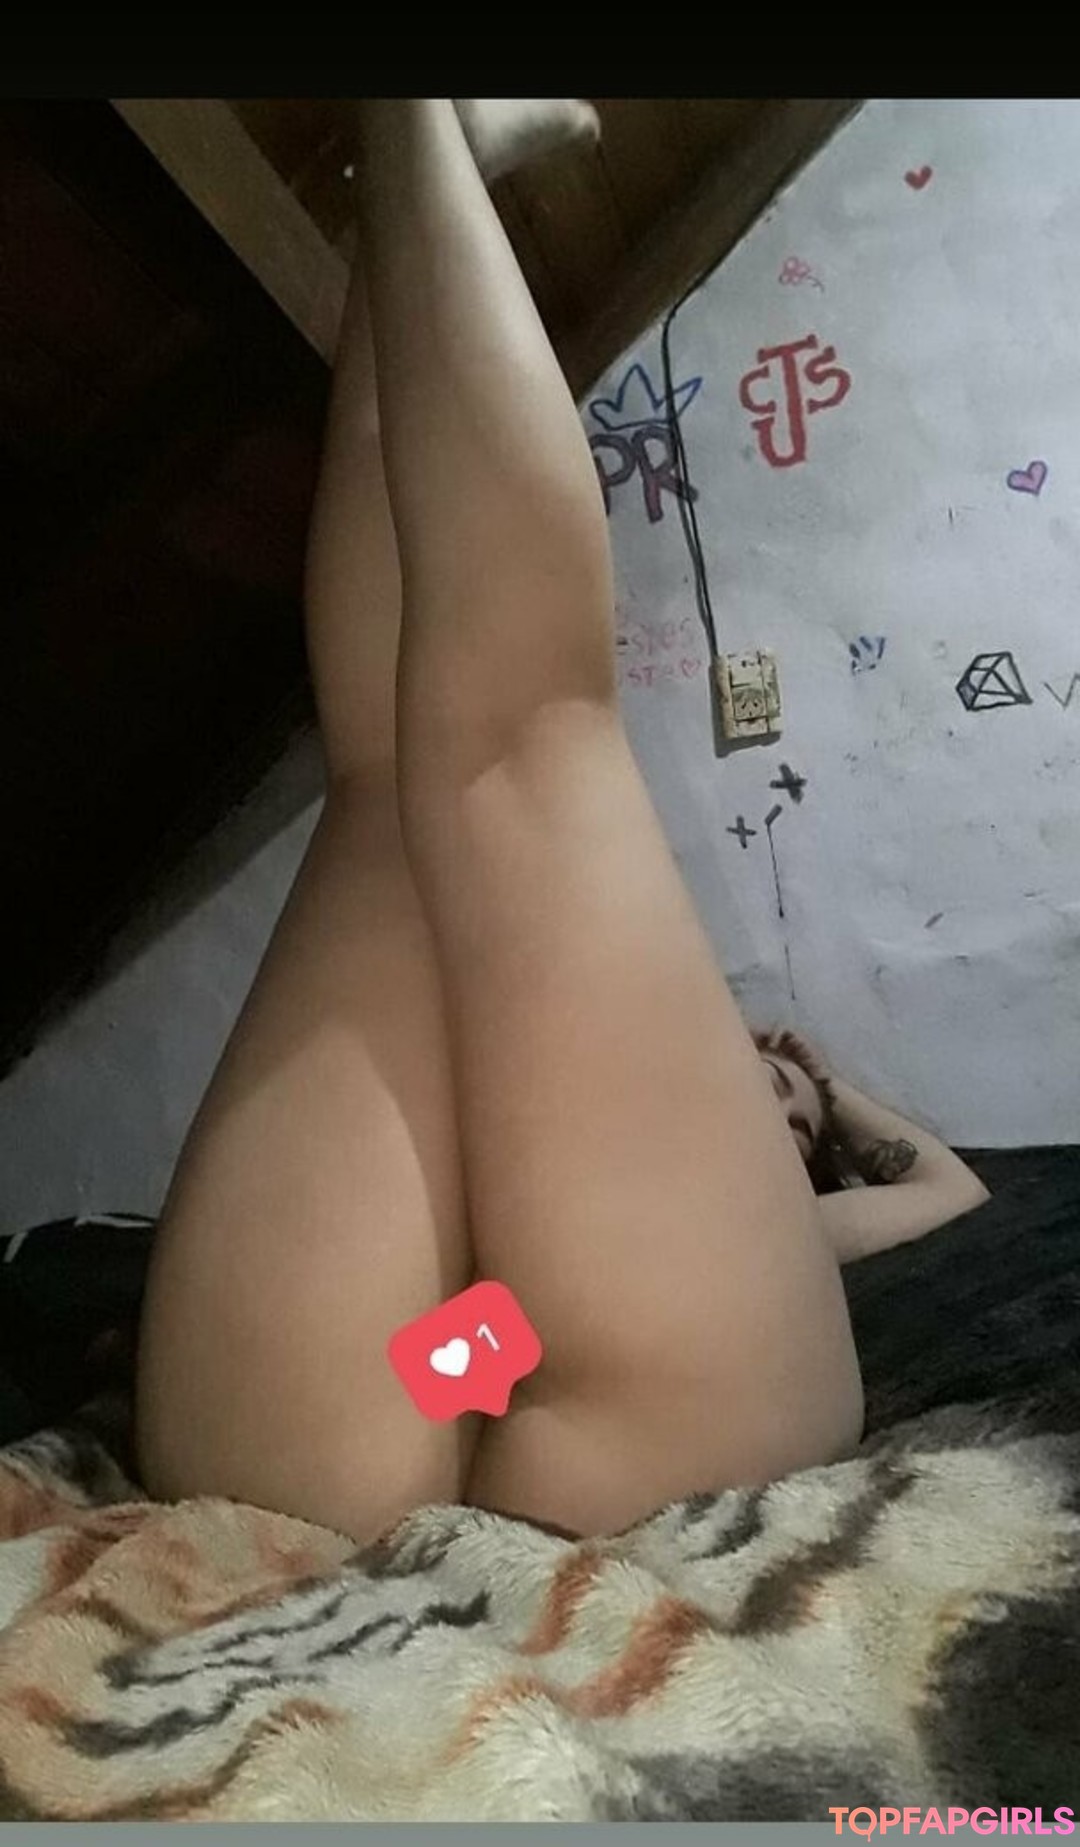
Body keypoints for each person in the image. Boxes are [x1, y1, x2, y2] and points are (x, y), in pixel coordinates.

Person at [134, 99, 865, 1546]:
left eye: (786, 1116)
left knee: (470, 763)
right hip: (443, 1369)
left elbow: (953, 1187)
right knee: (418, 781)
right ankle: (419, 174)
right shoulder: (598, 1154)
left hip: (391, 1414)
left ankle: (414, 129)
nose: (773, 1097)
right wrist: (797, 1082)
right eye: (767, 1082)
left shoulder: (836, 1206)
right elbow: (485, 1323)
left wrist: (841, 1108)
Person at [752, 1029, 990, 1264]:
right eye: (768, 1085)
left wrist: (825, 1086)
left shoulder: (771, 1228)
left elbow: (955, 1190)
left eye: (796, 1136)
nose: (779, 1120)